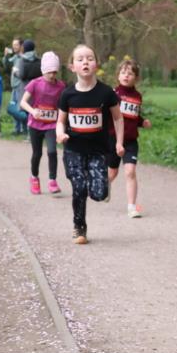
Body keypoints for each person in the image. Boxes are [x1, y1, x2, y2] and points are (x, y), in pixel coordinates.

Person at [56, 44, 125, 244]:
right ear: (72, 67)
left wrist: (119, 143)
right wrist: (60, 134)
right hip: (73, 150)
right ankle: (79, 228)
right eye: (80, 59)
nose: (85, 62)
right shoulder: (67, 94)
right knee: (79, 187)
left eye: (89, 58)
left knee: (98, 194)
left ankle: (104, 186)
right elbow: (60, 121)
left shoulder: (106, 93)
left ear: (96, 64)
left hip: (98, 151)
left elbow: (118, 118)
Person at [107, 57, 151, 217]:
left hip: (131, 140)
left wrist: (142, 122)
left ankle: (132, 207)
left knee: (130, 172)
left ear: (136, 78)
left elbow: (134, 116)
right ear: (118, 75)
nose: (126, 76)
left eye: (130, 73)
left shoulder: (137, 96)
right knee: (112, 173)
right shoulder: (113, 94)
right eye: (123, 72)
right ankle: (104, 186)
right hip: (113, 138)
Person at [21, 50, 65, 195]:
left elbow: (63, 104)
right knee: (37, 153)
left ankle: (52, 181)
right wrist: (33, 111)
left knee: (52, 151)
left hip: (51, 124)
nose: (52, 75)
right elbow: (23, 102)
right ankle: (34, 178)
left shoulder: (61, 86)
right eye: (49, 72)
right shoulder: (35, 83)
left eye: (54, 72)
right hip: (35, 124)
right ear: (43, 70)